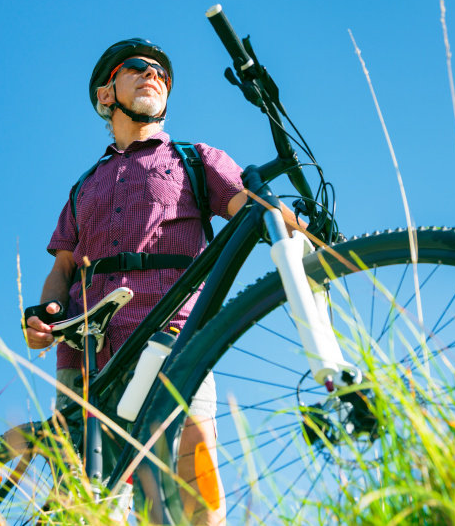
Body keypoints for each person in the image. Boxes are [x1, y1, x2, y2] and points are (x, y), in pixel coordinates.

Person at [23, 38, 301, 525]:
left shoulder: (196, 159)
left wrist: (299, 227)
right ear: (106, 95)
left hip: (173, 334)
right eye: (137, 67)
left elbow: (253, 212)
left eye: (162, 73)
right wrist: (43, 316)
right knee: (86, 504)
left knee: (188, 487)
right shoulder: (83, 186)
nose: (154, 74)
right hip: (87, 350)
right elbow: (62, 268)